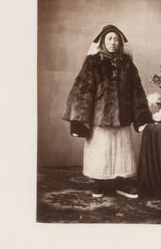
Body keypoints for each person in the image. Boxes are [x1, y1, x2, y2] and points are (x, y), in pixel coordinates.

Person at [62, 24, 153, 199]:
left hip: (122, 117)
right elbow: (83, 91)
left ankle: (122, 183)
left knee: (122, 151)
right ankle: (99, 182)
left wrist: (141, 119)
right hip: (100, 118)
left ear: (121, 42)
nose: (113, 42)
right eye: (110, 38)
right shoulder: (93, 62)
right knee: (100, 150)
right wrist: (79, 122)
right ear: (103, 41)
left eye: (116, 39)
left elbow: (136, 92)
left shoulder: (128, 65)